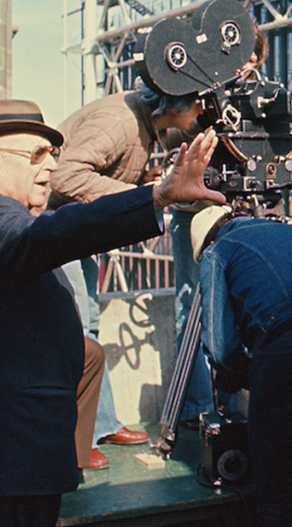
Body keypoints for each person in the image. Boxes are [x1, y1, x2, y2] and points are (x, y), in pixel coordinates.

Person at [0, 100, 224, 527]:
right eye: (36, 155)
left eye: (53, 154)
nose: (50, 167)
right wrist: (156, 196)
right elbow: (58, 232)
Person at [48, 77, 207, 455]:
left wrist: (145, 181)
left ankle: (99, 425)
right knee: (77, 329)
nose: (202, 112)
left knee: (88, 322)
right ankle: (78, 439)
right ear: (174, 104)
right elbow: (65, 174)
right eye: (198, 105)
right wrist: (142, 194)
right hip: (57, 228)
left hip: (76, 230)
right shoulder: (119, 121)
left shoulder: (146, 123)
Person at [192, 196, 292, 527]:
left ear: (208, 240)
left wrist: (244, 377)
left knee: (277, 489)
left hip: (285, 346)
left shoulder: (217, 251)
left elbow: (220, 345)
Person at [168, 30, 267, 425]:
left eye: (249, 57)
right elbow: (175, 134)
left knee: (241, 309)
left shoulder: (264, 97)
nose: (241, 65)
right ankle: (197, 410)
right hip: (194, 212)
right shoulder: (197, 93)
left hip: (243, 210)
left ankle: (231, 406)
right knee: (190, 304)